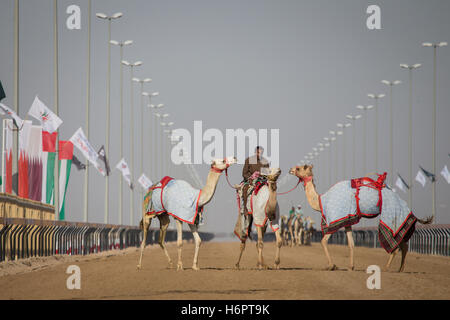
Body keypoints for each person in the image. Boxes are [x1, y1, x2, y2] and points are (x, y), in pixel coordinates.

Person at [241, 146, 270, 215]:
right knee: (245, 189)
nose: (259, 154)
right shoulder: (249, 160)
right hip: (250, 181)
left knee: (270, 191)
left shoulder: (265, 162)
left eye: (261, 153)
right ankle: (245, 208)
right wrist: (250, 178)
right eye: (258, 152)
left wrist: (262, 176)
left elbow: (267, 174)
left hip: (262, 181)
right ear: (255, 152)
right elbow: (244, 173)